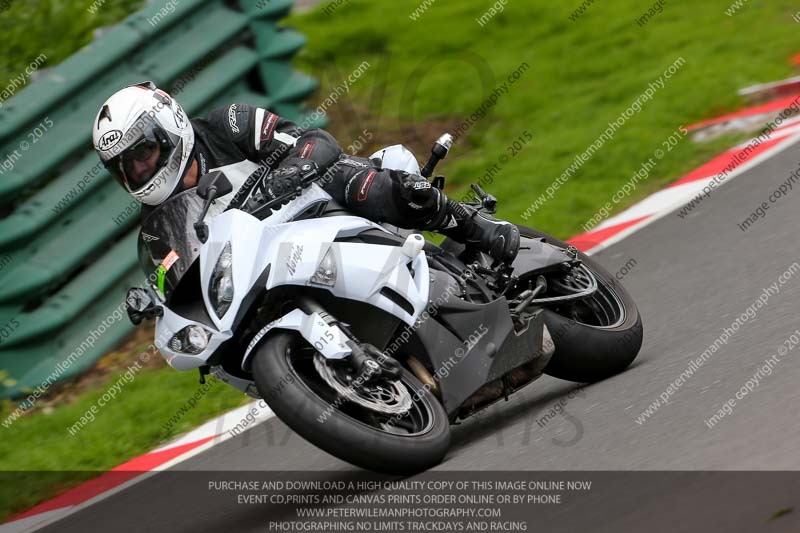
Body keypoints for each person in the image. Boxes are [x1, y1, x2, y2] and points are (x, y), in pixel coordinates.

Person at [92, 81, 519, 262]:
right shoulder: (157, 225)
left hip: (317, 205)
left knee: (353, 180)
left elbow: (315, 142)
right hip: (276, 263)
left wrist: (290, 173)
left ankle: (473, 225)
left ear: (169, 129)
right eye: (124, 167)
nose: (139, 168)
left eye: (143, 152)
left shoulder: (228, 125)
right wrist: (158, 302)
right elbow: (175, 275)